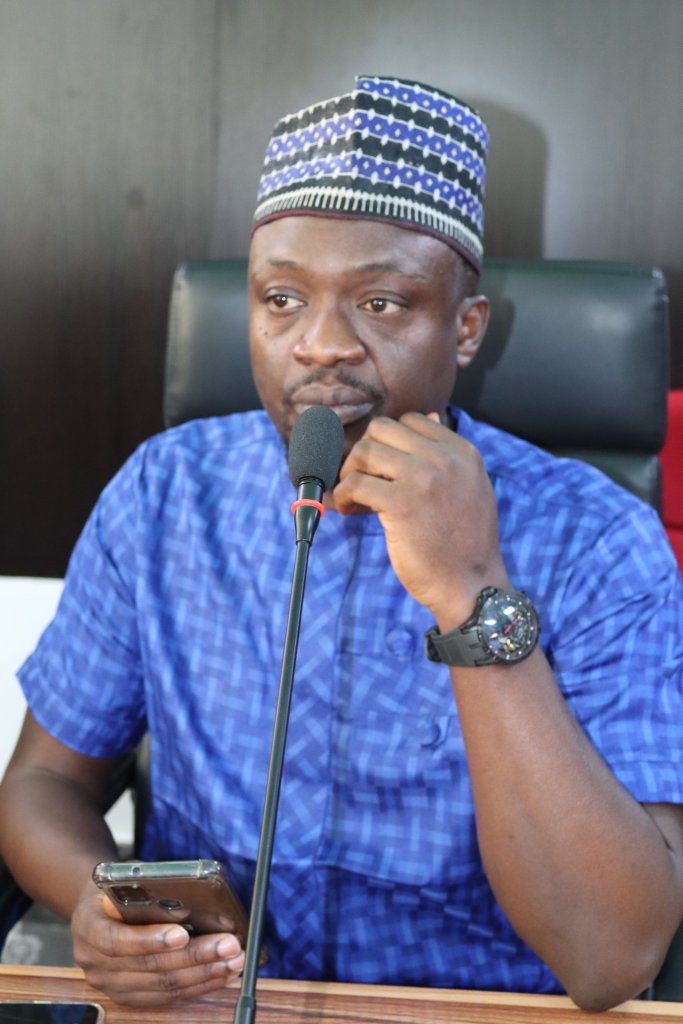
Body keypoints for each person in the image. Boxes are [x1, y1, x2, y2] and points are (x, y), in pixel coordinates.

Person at [1, 74, 682, 1012]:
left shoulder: (597, 540)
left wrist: (471, 593)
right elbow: (43, 780)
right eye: (281, 299)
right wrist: (102, 906)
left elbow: (613, 955)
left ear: (466, 329)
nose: (321, 344)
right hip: (211, 1005)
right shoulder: (165, 492)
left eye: (383, 303)